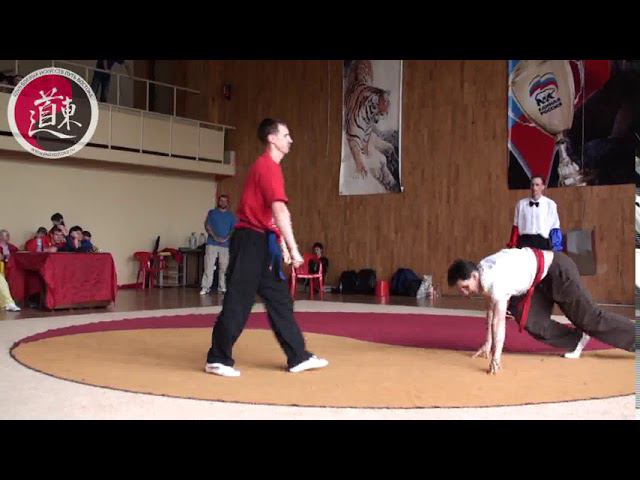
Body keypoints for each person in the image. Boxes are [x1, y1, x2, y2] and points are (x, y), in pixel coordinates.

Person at [204, 118, 329, 377]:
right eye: (286, 135)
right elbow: (280, 210)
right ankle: (217, 359)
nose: (290, 140)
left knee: (279, 300)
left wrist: (281, 244)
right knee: (239, 300)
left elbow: (271, 217)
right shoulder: (267, 167)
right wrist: (294, 249)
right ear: (272, 139)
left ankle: (298, 356)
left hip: (261, 242)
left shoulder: (270, 168)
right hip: (249, 241)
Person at [447, 248, 634, 375]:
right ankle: (575, 340)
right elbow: (490, 308)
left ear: (474, 276)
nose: (465, 293)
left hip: (557, 270)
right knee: (529, 318)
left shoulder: (495, 280)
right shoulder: (481, 270)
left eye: (465, 287)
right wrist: (488, 342)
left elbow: (498, 320)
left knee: (590, 318)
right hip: (538, 282)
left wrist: (496, 358)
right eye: (461, 289)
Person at [507, 176, 563, 251]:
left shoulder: (550, 204)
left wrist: (556, 247)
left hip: (542, 242)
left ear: (543, 187)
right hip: (524, 242)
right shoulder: (521, 204)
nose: (534, 188)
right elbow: (516, 226)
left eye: (537, 185)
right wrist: (513, 244)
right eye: (532, 185)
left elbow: (554, 227)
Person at [200, 194, 236, 295]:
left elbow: (233, 229)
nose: (223, 202)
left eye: (225, 201)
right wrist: (215, 237)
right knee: (209, 266)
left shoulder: (231, 216)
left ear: (227, 203)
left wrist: (226, 238)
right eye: (221, 200)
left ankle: (222, 287)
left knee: (224, 267)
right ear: (218, 201)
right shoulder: (212, 213)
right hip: (212, 244)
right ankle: (206, 287)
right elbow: (207, 226)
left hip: (225, 245)